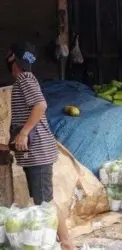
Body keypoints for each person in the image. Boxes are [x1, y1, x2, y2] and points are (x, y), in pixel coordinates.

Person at [4, 42, 75, 250]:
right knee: (40, 201)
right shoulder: (24, 79)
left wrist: (24, 132)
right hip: (33, 154)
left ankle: (68, 244)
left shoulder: (25, 78)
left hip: (39, 153)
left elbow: (40, 105)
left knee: (46, 203)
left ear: (14, 61)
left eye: (9, 57)